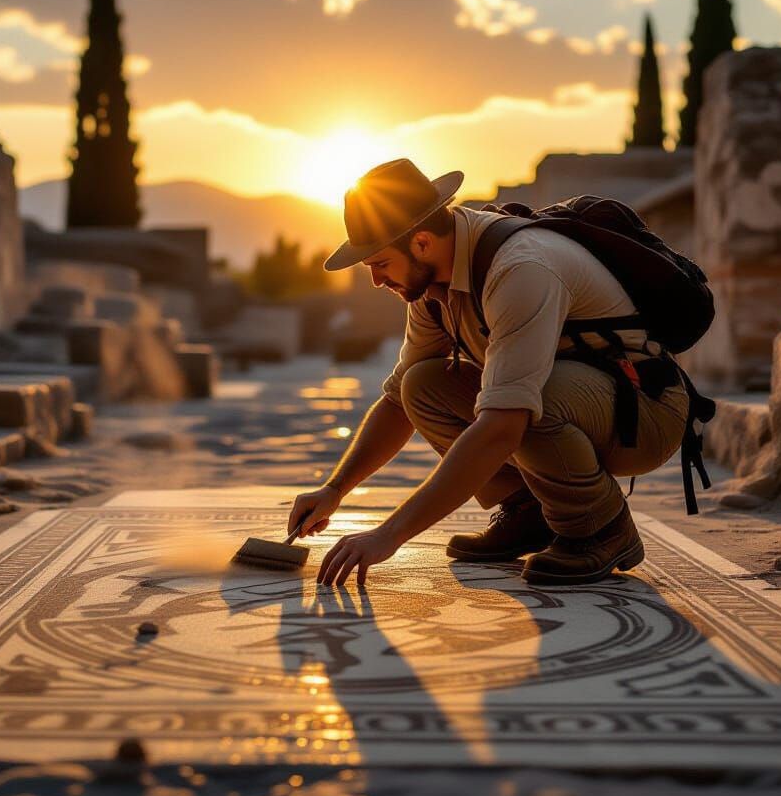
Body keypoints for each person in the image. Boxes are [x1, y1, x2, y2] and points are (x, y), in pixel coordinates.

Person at [288, 158, 690, 588]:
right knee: (420, 384)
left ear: (421, 242)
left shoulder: (519, 269)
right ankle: (530, 511)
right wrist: (335, 489)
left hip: (645, 412)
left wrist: (389, 536)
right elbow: (396, 403)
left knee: (520, 401)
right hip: (576, 401)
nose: (374, 280)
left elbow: (503, 426)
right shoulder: (432, 286)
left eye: (379, 263)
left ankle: (601, 527)